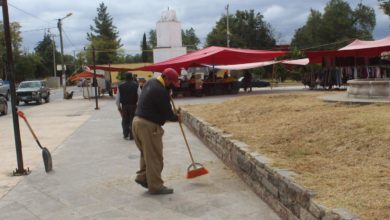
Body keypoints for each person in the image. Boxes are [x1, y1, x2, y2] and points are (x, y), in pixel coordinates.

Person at [132, 68, 180, 195]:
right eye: (171, 83)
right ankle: (156, 186)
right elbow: (168, 115)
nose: (172, 85)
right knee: (154, 157)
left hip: (137, 122)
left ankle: (143, 177)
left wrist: (166, 91)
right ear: (166, 79)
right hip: (148, 126)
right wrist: (178, 117)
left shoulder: (151, 82)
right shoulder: (161, 92)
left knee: (146, 153)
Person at [116, 72, 139, 140]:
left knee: (125, 120)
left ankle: (126, 134)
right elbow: (140, 95)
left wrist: (118, 107)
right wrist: (138, 105)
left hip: (124, 106)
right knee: (133, 120)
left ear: (125, 78)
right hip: (133, 105)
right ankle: (132, 135)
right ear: (132, 77)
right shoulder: (136, 85)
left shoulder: (120, 86)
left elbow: (117, 98)